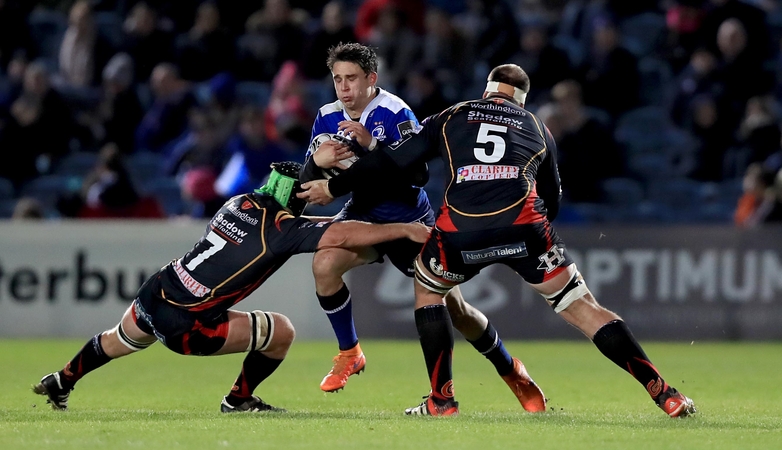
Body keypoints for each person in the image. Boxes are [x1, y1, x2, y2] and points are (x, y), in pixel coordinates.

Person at [300, 64, 697, 418]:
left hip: (460, 228)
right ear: (522, 101)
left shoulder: (455, 113)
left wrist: (335, 185)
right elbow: (552, 199)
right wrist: (529, 231)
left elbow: (396, 162)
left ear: (487, 90)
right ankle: (665, 393)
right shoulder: (538, 128)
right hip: (525, 227)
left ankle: (442, 400)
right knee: (583, 307)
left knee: (428, 290)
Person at [32, 162, 430, 413]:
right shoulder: (283, 231)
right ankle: (238, 400)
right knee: (281, 333)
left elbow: (284, 198)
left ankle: (63, 379)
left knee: (119, 338)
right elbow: (342, 235)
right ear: (295, 201)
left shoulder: (238, 203)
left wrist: (311, 168)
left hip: (158, 289)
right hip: (189, 324)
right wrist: (407, 228)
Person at [300, 43, 545, 414]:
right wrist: (315, 163)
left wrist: (372, 145)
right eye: (337, 79)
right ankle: (349, 352)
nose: (344, 88)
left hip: (408, 220)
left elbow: (419, 174)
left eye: (351, 78)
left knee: (457, 311)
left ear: (371, 79)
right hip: (364, 214)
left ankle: (510, 368)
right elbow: (309, 179)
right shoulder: (326, 116)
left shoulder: (394, 112)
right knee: (325, 265)